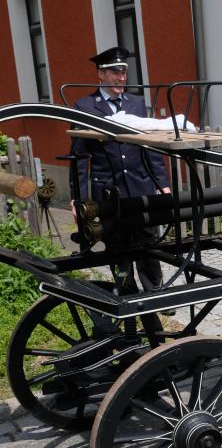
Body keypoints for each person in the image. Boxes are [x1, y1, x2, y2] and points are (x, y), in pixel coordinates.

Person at [69, 46, 171, 293]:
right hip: (108, 191)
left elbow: (150, 144)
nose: (121, 78)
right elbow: (80, 156)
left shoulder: (136, 102)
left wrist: (161, 183)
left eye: (124, 72)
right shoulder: (85, 106)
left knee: (148, 242)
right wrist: (79, 197)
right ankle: (125, 292)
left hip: (141, 187)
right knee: (116, 245)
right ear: (101, 74)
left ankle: (155, 292)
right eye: (115, 72)